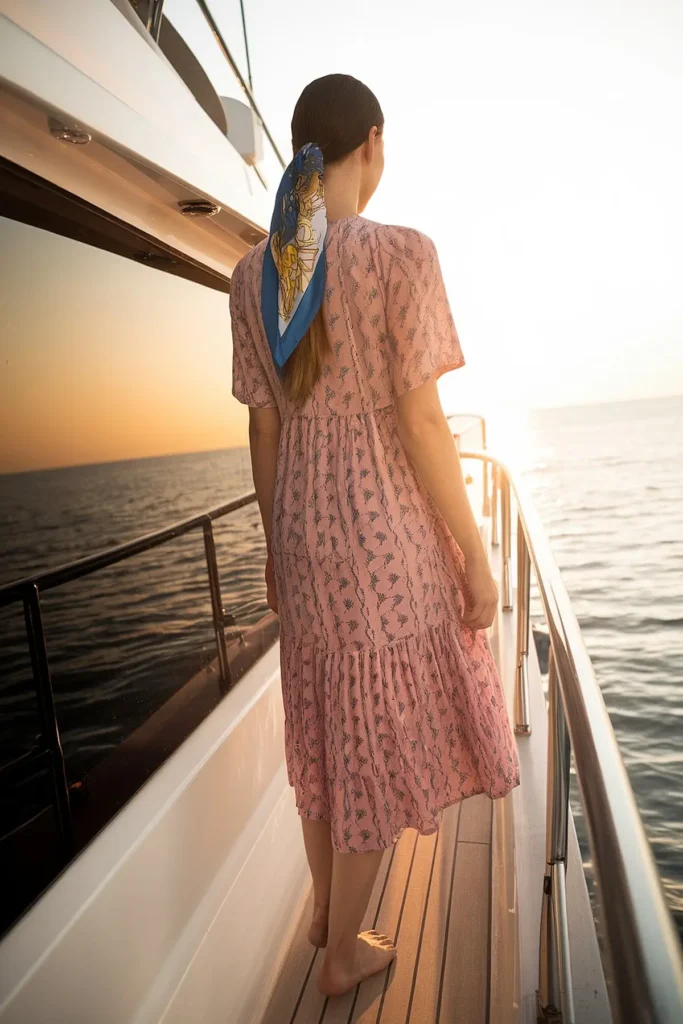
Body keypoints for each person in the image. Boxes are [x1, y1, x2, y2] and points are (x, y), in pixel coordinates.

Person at [230, 74, 520, 998]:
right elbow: (422, 423)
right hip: (381, 538)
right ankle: (342, 953)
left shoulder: (251, 274)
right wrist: (474, 555)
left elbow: (263, 427)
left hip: (301, 534)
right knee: (375, 739)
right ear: (374, 143)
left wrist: (274, 546)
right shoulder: (399, 254)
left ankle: (327, 910)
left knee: (326, 729)